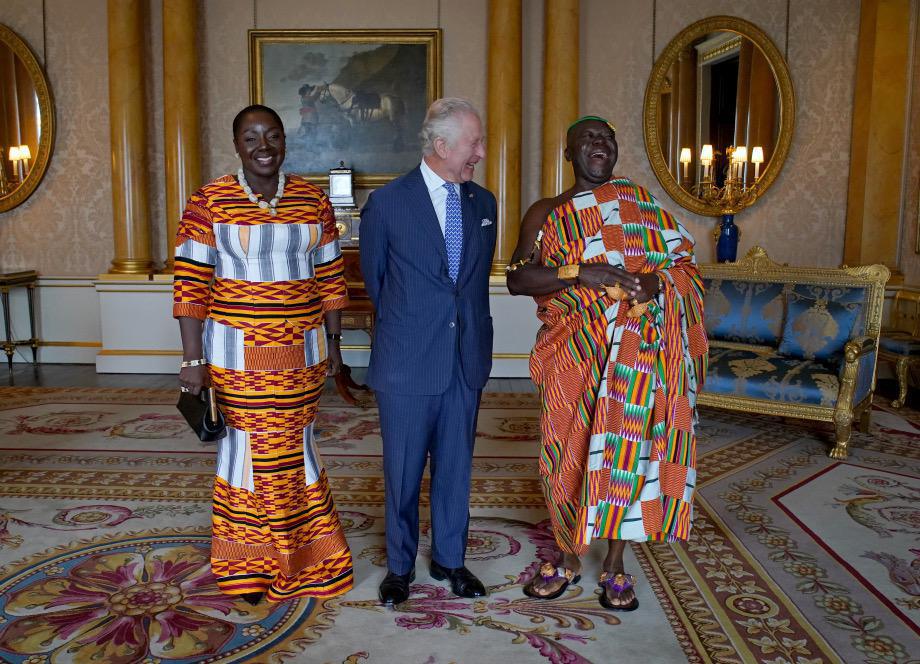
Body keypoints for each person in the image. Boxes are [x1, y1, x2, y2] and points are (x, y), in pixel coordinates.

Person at [506, 116, 708, 610]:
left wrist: (659, 284)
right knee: (565, 448)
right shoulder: (547, 211)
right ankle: (569, 554)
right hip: (574, 353)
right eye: (587, 139)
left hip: (639, 354)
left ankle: (615, 562)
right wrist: (582, 272)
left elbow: (683, 266)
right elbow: (518, 278)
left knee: (629, 453)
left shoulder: (643, 207)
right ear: (570, 154)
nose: (599, 144)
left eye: (606, 138)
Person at [173, 104, 353, 604]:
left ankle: (307, 555)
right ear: (237, 145)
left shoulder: (312, 200)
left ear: (284, 140)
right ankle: (248, 564)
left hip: (303, 356)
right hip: (237, 357)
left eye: (272, 135)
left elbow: (331, 278)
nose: (263, 147)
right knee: (248, 450)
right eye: (251, 138)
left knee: (295, 446)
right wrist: (192, 361)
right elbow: (190, 285)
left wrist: (336, 344)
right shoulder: (210, 200)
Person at [360, 97, 497, 605]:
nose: (480, 152)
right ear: (442, 146)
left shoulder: (485, 204)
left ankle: (450, 560)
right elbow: (377, 281)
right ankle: (399, 567)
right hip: (407, 359)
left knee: (456, 468)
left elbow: (472, 283)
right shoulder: (389, 203)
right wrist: (415, 324)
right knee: (402, 470)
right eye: (473, 143)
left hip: (466, 357)